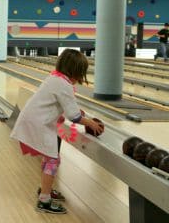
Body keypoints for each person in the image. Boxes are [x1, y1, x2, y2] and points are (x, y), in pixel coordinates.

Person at [10, 49, 103, 214]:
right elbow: (73, 116)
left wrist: (73, 112)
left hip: (36, 121)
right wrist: (90, 123)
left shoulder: (55, 77)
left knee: (49, 158)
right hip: (39, 124)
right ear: (76, 71)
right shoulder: (64, 84)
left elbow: (59, 104)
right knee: (53, 160)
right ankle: (44, 201)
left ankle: (46, 188)